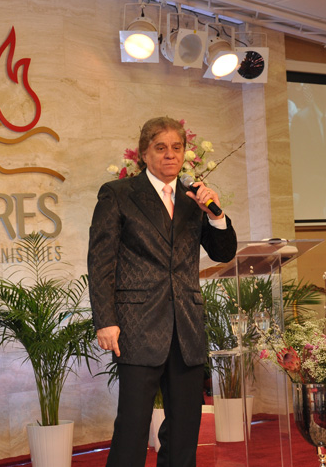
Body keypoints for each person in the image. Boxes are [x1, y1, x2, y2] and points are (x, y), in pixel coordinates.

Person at [88, 117, 237, 467]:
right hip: (137, 327)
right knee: (132, 428)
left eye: (176, 147)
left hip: (186, 327)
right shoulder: (118, 194)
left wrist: (215, 216)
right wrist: (105, 320)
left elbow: (223, 253)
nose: (170, 154)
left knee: (185, 429)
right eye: (161, 147)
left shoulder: (193, 199)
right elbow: (100, 262)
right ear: (144, 153)